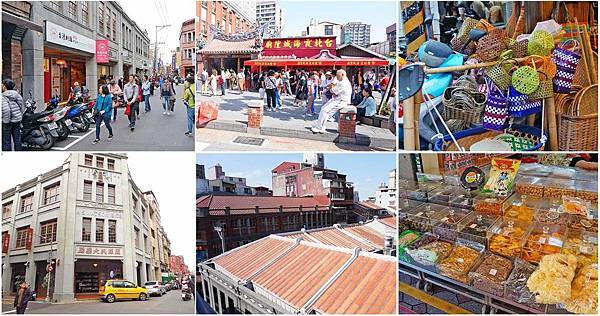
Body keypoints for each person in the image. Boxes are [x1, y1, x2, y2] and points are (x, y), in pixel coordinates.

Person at [311, 69, 352, 134]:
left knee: (324, 110)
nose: (337, 77)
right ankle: (321, 127)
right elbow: (334, 91)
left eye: (338, 76)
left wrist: (332, 90)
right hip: (338, 99)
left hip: (340, 100)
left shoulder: (343, 82)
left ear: (342, 75)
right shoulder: (343, 81)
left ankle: (319, 127)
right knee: (325, 112)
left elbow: (333, 91)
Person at [2, 79, 24, 151]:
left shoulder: (3, 96)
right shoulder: (16, 94)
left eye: (2, 84)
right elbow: (21, 105)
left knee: (6, 141)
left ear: (5, 86)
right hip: (17, 119)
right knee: (17, 139)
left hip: (8, 121)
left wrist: (6, 121)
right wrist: (19, 115)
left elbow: (6, 110)